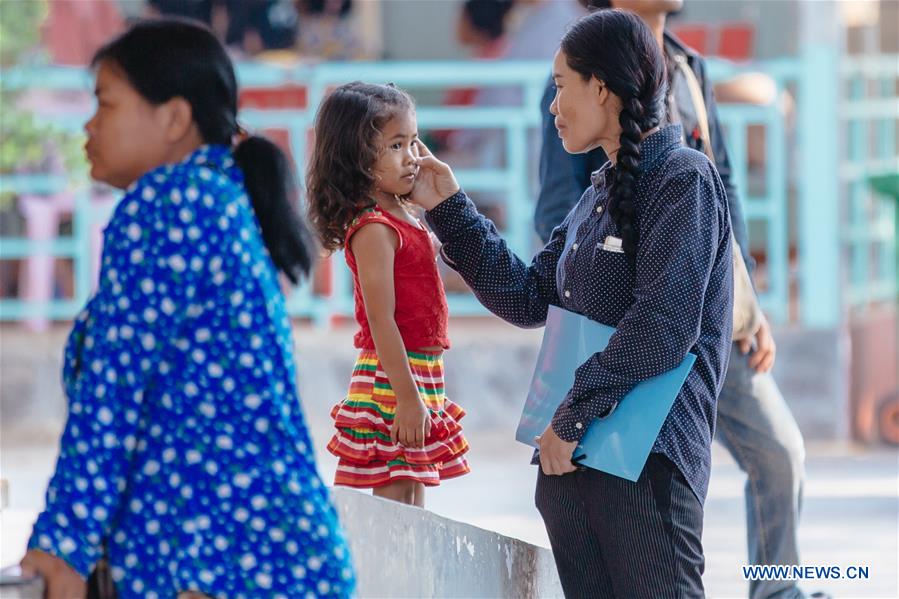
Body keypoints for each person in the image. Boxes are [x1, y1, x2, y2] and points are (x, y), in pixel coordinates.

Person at [19, 19, 355, 598]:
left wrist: (62, 541)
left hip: (228, 563)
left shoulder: (174, 202)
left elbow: (112, 386)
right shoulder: (211, 198)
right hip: (233, 558)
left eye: (105, 105)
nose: (88, 125)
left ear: (173, 118)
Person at [412, 10, 732, 596]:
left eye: (562, 87)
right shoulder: (597, 193)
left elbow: (663, 327)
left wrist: (574, 415)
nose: (553, 106)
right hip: (574, 469)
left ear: (602, 88)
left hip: (646, 465)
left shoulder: (684, 179)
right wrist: (449, 208)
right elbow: (528, 295)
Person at [534, 3, 810, 598]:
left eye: (563, 91)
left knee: (777, 452)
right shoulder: (580, 80)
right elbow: (557, 209)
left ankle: (779, 588)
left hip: (689, 320)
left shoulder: (687, 71)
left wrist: (746, 300)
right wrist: (580, 269)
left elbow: (721, 186)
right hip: (612, 354)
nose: (558, 103)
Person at [306, 82, 470, 507]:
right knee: (395, 504)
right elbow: (381, 319)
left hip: (419, 371)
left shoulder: (406, 214)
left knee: (412, 498)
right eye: (396, 145)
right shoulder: (376, 228)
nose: (413, 157)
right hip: (393, 378)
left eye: (414, 142)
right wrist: (407, 399)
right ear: (357, 159)